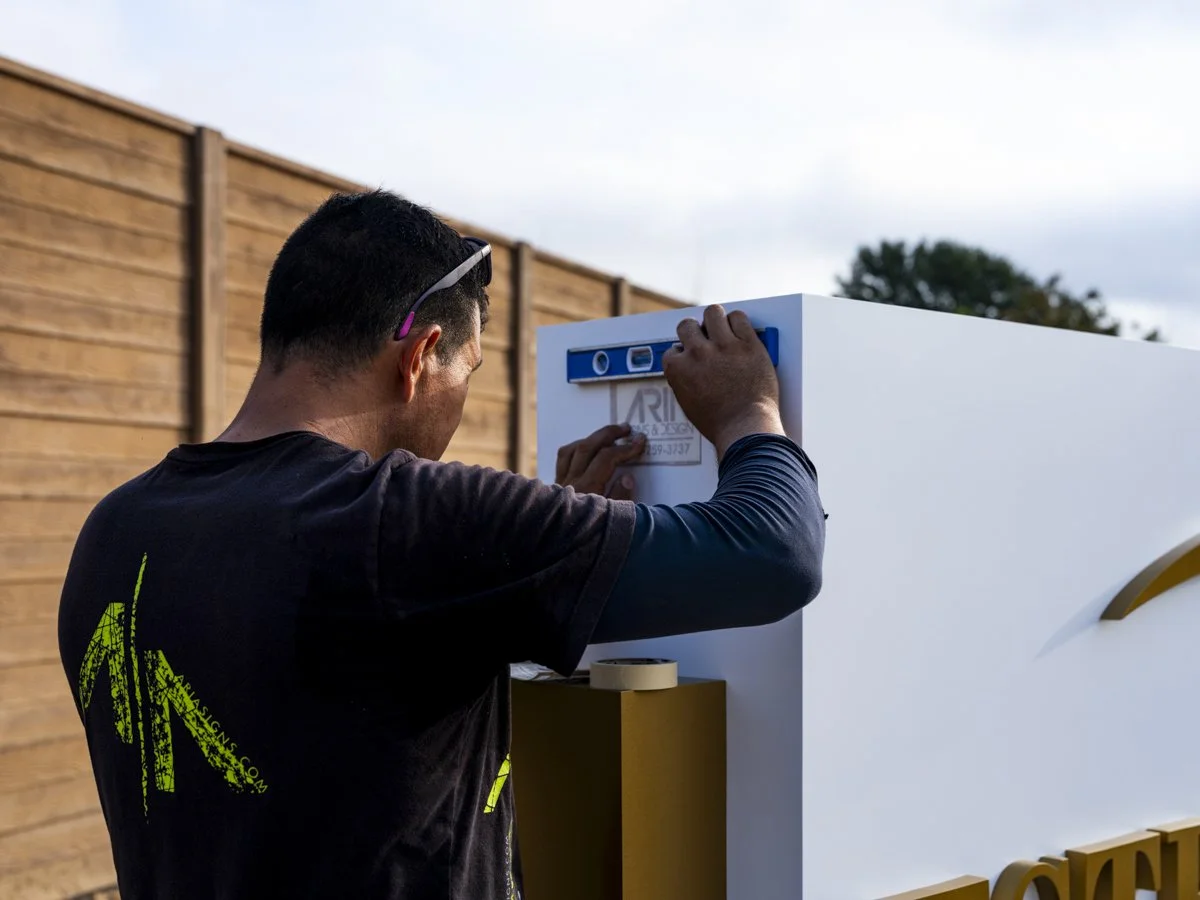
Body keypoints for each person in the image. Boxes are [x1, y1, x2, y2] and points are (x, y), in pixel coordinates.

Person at [57, 189, 826, 900]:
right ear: (419, 356)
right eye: (470, 370)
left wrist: (550, 565)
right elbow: (772, 553)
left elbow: (343, 686)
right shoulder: (405, 519)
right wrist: (747, 413)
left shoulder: (117, 529)